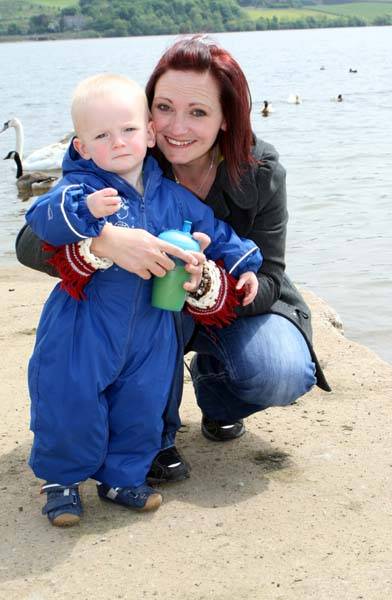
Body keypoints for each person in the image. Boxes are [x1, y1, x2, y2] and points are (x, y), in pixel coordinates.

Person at [16, 35, 330, 489]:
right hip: (135, 307)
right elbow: (31, 240)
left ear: (226, 120)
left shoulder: (261, 171)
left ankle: (217, 394)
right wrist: (105, 241)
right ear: (147, 114)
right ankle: (151, 436)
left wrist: (210, 286)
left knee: (278, 369)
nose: (175, 127)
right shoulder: (119, 153)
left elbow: (268, 276)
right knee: (134, 344)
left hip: (215, 308)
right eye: (164, 107)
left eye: (198, 112)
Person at [25, 73, 262, 527]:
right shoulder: (81, 190)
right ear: (81, 147)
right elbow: (41, 220)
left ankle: (122, 476)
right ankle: (61, 480)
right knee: (69, 396)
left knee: (143, 400)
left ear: (149, 133)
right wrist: (87, 216)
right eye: (101, 135)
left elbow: (214, 230)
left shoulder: (173, 196)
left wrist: (242, 263)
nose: (117, 142)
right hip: (84, 322)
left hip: (153, 326)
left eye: (129, 130)